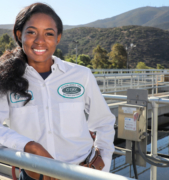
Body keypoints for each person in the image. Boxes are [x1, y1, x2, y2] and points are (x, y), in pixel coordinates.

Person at [0, 3, 115, 180]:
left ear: (58, 38)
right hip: (34, 175)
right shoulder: (6, 79)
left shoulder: (81, 75)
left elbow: (104, 122)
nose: (40, 40)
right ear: (18, 35)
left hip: (83, 172)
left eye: (49, 33)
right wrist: (29, 146)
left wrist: (103, 165)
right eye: (31, 32)